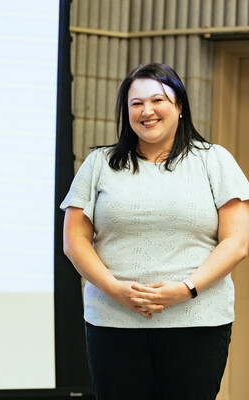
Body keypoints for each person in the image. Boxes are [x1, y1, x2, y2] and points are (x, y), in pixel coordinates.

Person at [61, 63, 249, 399]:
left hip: (198, 321)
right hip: (113, 321)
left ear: (179, 107)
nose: (147, 111)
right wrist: (114, 289)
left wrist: (186, 289)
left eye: (158, 100)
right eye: (136, 104)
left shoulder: (214, 160)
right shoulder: (99, 163)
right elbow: (74, 240)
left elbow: (237, 242)